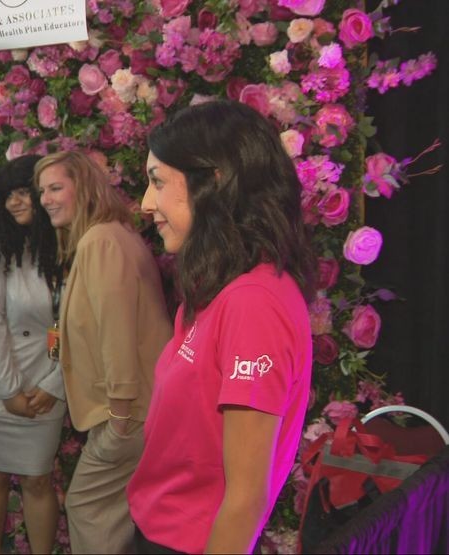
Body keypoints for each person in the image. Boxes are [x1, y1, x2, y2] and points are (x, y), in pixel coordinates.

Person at [127, 100, 316, 554]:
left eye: (157, 182)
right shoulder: (218, 287)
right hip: (164, 529)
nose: (145, 203)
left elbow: (245, 499)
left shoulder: (253, 304)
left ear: (213, 182)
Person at [36, 150, 172, 554]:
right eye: (42, 190)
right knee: (111, 515)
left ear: (86, 188)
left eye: (56, 187)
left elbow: (117, 335)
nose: (46, 199)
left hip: (130, 413)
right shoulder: (109, 236)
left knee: (86, 508)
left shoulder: (101, 242)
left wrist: (118, 417)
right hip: (141, 409)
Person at [0, 155, 65, 554]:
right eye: (9, 195)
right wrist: (9, 392)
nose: (17, 202)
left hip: (47, 386)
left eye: (27, 193)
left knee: (38, 478)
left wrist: (54, 384)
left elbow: (76, 323)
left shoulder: (66, 239)